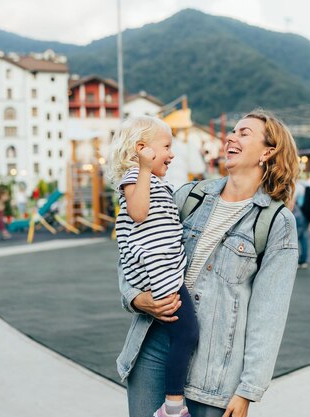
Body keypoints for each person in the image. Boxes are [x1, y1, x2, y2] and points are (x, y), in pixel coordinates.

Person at [117, 109, 299, 417]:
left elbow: (269, 314)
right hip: (154, 345)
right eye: (232, 131)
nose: (231, 137)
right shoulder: (190, 196)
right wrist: (136, 297)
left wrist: (248, 390)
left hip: (215, 367)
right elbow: (134, 245)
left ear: (268, 151)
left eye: (244, 133)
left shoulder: (276, 222)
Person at [110, 116, 199, 417]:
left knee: (183, 334)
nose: (171, 154)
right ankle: (172, 407)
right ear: (142, 149)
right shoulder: (135, 178)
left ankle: (172, 403)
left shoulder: (153, 182)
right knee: (187, 333)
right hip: (162, 276)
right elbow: (138, 213)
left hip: (164, 270)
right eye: (166, 147)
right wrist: (145, 170)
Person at [291, 180, 309, 269]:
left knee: (295, 239)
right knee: (304, 238)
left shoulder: (295, 187)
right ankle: (304, 260)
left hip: (297, 215)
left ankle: (296, 261)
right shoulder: (303, 186)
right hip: (305, 215)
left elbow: (292, 203)